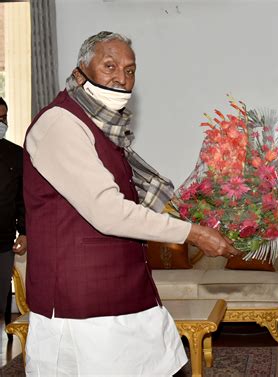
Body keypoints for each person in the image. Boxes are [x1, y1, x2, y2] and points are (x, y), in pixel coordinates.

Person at [23, 31, 239, 376]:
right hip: (81, 304)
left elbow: (146, 200)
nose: (121, 79)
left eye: (130, 70)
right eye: (109, 66)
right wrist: (192, 232)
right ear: (80, 73)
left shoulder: (105, 134)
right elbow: (109, 213)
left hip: (125, 293)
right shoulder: (60, 124)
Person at [0, 97, 27, 331]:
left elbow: (22, 199)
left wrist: (25, 232)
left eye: (4, 118)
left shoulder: (15, 154)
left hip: (4, 243)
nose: (2, 123)